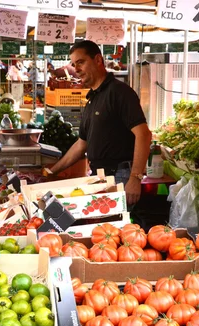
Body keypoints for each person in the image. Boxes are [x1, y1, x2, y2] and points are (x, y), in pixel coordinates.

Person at [48, 40, 152, 206]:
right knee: (104, 228)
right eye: (74, 64)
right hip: (101, 177)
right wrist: (52, 171)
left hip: (120, 176)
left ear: (97, 60)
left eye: (81, 62)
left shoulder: (119, 92)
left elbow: (144, 134)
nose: (76, 69)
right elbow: (82, 144)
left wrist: (135, 178)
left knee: (116, 229)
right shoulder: (92, 98)